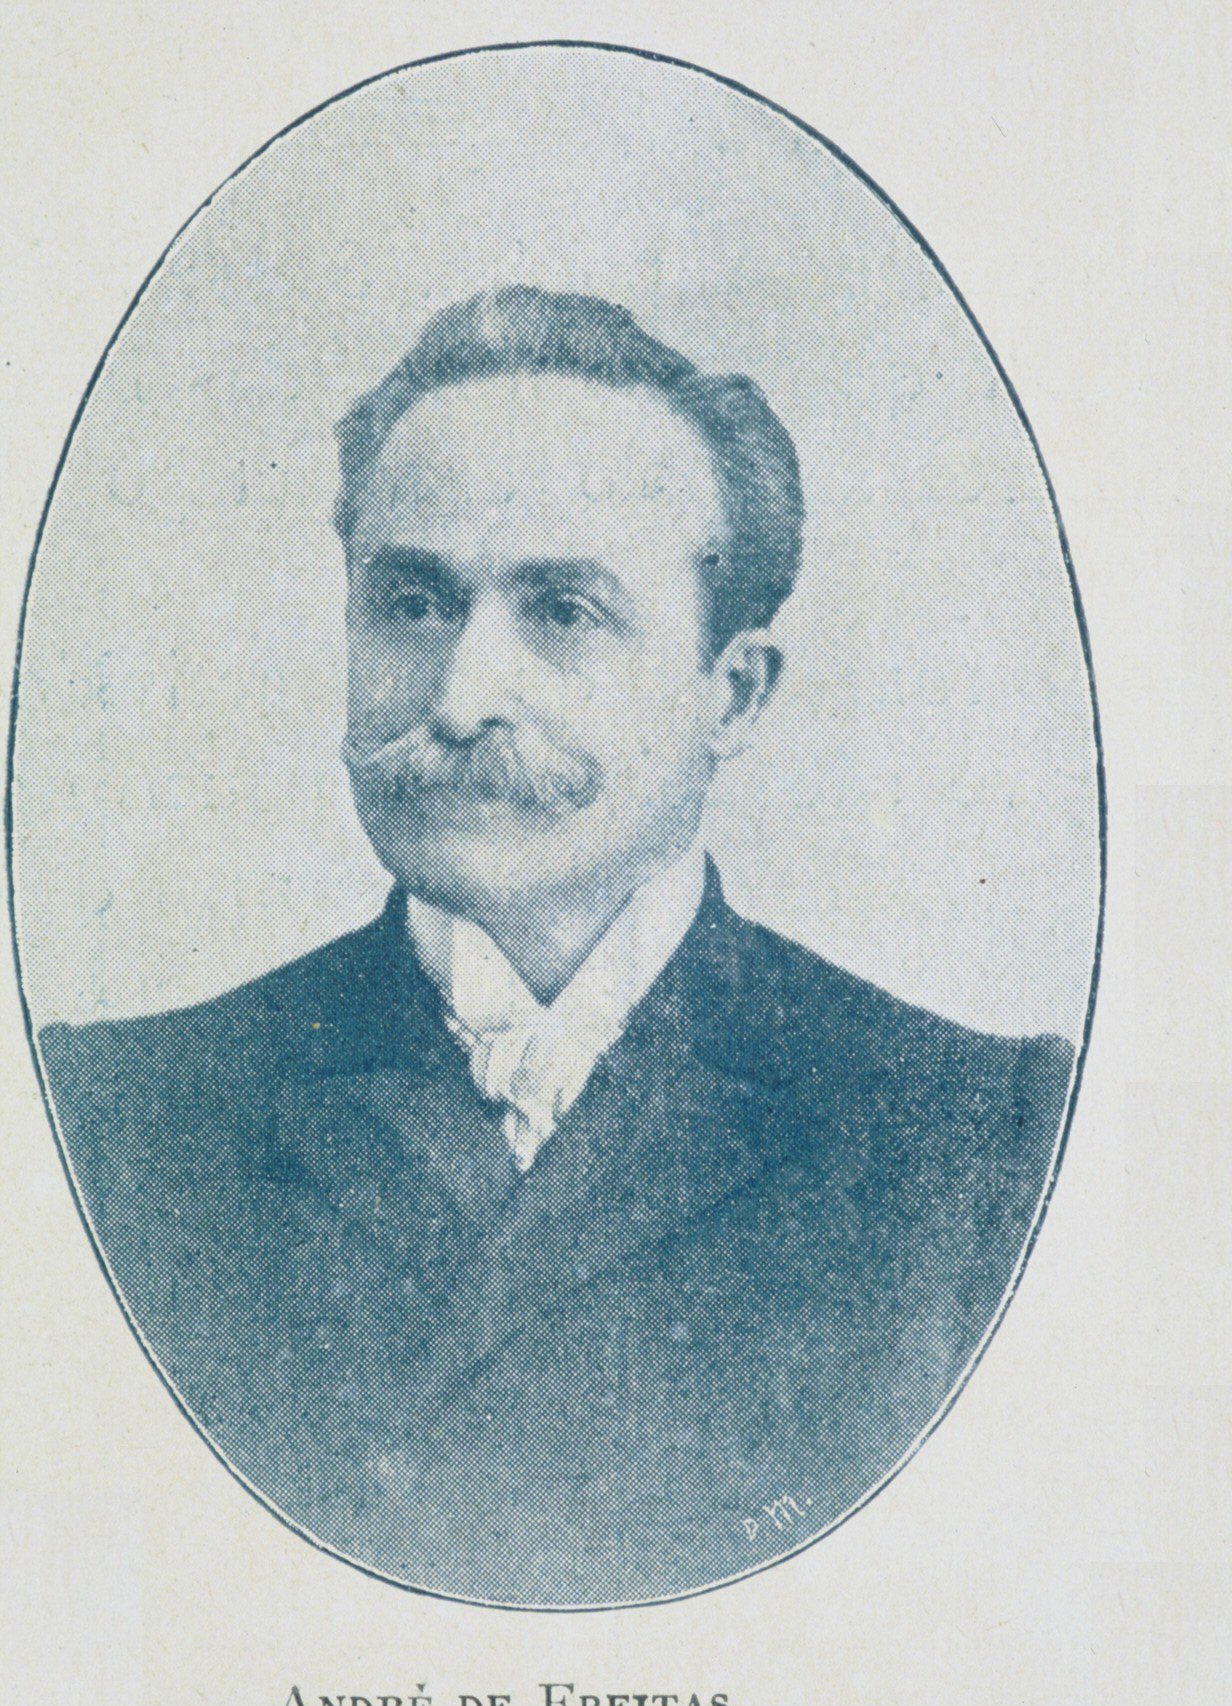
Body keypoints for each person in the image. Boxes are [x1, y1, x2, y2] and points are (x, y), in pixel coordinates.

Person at [41, 287, 1072, 1606]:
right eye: (412, 603)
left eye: (565, 612)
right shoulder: (112, 1116)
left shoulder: (981, 1142)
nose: (460, 697)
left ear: (733, 694)